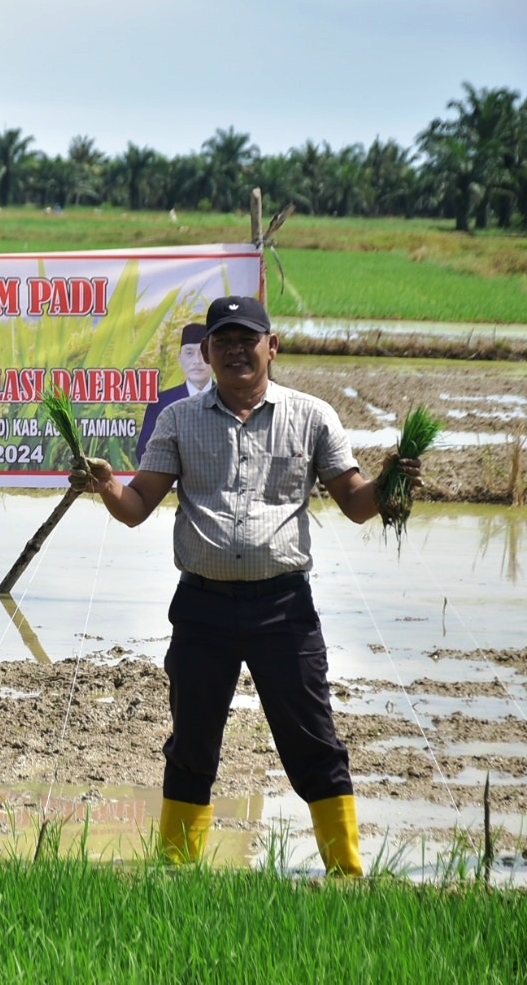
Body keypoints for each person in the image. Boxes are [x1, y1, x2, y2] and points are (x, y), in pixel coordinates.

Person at [70, 295, 419, 876]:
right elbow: (135, 508)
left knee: (314, 741)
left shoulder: (312, 416)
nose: (235, 350)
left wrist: (389, 484)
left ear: (271, 347)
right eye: (222, 341)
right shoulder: (178, 420)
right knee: (191, 744)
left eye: (247, 339)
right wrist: (107, 485)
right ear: (206, 353)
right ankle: (176, 872)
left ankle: (346, 873)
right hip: (202, 608)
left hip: (284, 609)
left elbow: (357, 505)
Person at [135, 322, 211, 462]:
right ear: (179, 359)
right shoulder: (161, 402)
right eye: (189, 353)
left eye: (203, 352)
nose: (197, 361)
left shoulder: (229, 399)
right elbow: (143, 451)